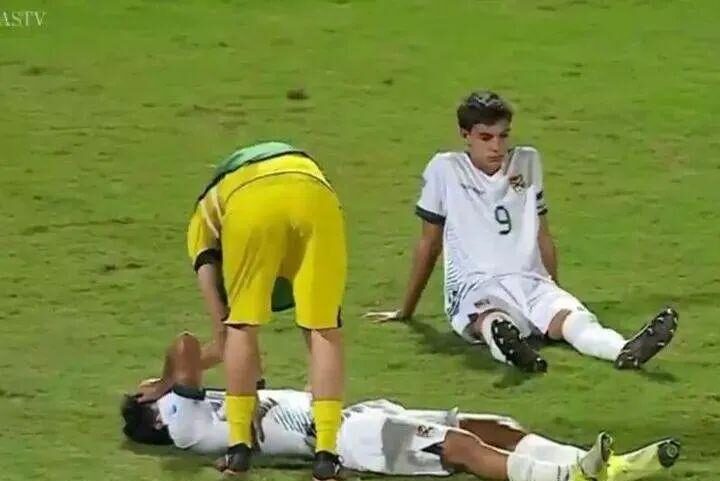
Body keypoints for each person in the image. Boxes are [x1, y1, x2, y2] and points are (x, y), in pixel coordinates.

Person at [366, 91, 677, 373]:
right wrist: (406, 309)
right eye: (486, 137)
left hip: (530, 279)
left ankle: (623, 350)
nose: (496, 146)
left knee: (573, 319)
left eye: (503, 136)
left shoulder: (527, 161)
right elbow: (429, 243)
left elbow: (542, 233)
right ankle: (511, 348)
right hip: (475, 285)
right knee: (491, 319)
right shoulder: (445, 169)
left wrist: (556, 292)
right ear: (465, 135)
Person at [122, 332, 680, 481]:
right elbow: (187, 346)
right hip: (348, 440)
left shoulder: (209, 410)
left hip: (358, 416)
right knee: (459, 448)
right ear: (154, 410)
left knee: (492, 425)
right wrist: (165, 381)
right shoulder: (185, 424)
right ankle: (566, 478)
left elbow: (232, 344)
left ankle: (600, 464)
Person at [187, 141, 346, 478]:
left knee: (241, 324)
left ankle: (238, 450)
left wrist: (248, 394)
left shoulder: (200, 223)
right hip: (316, 192)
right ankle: (327, 456)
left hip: (251, 201)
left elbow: (225, 328)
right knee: (323, 326)